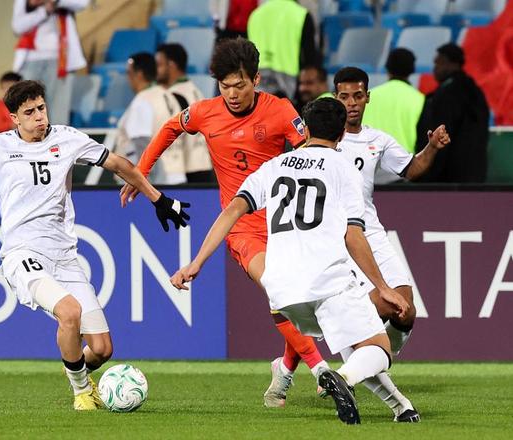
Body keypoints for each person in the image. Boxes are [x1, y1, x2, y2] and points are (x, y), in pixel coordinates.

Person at [0, 80, 190, 411]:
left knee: (102, 349)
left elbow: (120, 164)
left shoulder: (68, 139)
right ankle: (81, 393)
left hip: (66, 258)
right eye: (29, 112)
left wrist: (159, 199)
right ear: (14, 118)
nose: (39, 117)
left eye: (42, 108)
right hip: (23, 255)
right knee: (69, 312)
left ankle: (74, 367)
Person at [171, 97, 411, 425]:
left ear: (306, 130)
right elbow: (354, 235)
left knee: (354, 342)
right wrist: (382, 286)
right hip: (326, 280)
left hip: (281, 290)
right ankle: (341, 378)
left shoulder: (275, 166)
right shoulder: (343, 168)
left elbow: (232, 212)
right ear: (342, 134)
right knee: (379, 348)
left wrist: (196, 262)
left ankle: (402, 408)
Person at [120, 37, 330, 408]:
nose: (231, 94)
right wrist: (141, 171)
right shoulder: (205, 112)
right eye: (224, 85)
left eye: (239, 85)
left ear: (256, 80)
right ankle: (323, 371)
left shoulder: (281, 111)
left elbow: (313, 155)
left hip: (285, 224)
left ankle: (283, 369)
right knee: (277, 287)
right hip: (242, 227)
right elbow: (170, 127)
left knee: (294, 298)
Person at [332, 66, 451, 422]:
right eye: (344, 97)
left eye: (357, 96)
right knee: (376, 309)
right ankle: (362, 368)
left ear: (368, 97)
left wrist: (432, 147)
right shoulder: (321, 140)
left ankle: (368, 361)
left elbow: (412, 169)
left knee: (405, 310)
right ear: (335, 98)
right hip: (338, 238)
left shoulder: (377, 140)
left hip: (371, 232)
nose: (351, 103)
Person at [416, 43, 490, 183]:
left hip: (448, 177)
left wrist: (427, 172)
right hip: (474, 173)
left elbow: (441, 135)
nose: (435, 68)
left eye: (438, 63)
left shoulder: (448, 94)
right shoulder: (474, 90)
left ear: (450, 64)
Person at [12, 0, 89, 125]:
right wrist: (44, 11)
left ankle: (57, 138)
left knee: (58, 114)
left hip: (60, 59)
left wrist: (55, 2)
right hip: (31, 60)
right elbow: (17, 26)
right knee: (29, 111)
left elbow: (82, 3)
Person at [116, 52, 186, 185]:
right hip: (178, 174)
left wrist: (147, 185)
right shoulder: (170, 96)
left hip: (158, 180)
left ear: (139, 74)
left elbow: (142, 145)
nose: (128, 78)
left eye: (129, 73)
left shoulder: (142, 101)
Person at [155, 43, 214, 183]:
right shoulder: (196, 91)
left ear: (171, 65)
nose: (155, 70)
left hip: (187, 170)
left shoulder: (172, 96)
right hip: (204, 164)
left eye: (159, 65)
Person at [247, 0, 319, 99]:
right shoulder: (300, 14)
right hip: (289, 82)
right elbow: (309, 57)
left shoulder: (256, 14)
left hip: (259, 78)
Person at [362, 48, 425, 154]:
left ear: (387, 67)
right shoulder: (420, 99)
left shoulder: (367, 96)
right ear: (412, 69)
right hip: (405, 160)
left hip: (369, 158)